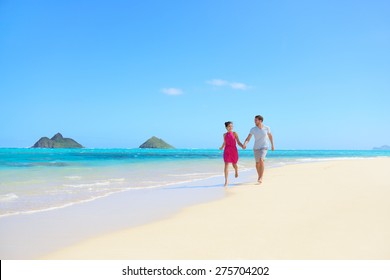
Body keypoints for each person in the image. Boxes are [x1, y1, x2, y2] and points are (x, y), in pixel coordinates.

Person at [243, 115, 274, 184]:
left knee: (261, 160)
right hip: (256, 147)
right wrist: (245, 144)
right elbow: (248, 138)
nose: (254, 121)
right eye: (254, 120)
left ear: (260, 121)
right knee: (257, 163)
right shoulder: (253, 129)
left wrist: (272, 145)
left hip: (264, 146)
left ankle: (261, 177)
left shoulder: (267, 128)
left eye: (256, 120)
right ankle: (259, 176)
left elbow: (270, 136)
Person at [219, 121, 244, 187]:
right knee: (226, 164)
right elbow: (224, 143)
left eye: (232, 126)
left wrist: (242, 146)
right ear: (226, 127)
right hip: (227, 150)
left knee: (234, 164)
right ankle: (226, 181)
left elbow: (238, 142)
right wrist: (221, 147)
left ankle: (236, 170)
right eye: (229, 126)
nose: (231, 127)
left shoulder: (235, 133)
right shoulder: (224, 135)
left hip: (233, 150)